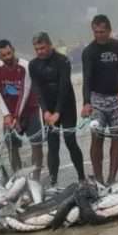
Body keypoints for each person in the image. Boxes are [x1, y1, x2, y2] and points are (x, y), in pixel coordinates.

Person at [28, 32, 84, 186]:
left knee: (70, 141)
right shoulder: (33, 65)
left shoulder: (62, 60)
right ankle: (53, 182)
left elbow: (64, 87)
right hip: (48, 110)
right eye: (37, 49)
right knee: (52, 146)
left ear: (50, 45)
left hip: (66, 107)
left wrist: (58, 112)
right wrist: (45, 111)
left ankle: (82, 177)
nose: (40, 51)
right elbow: (37, 89)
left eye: (43, 48)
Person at [81, 15, 118, 185]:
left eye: (102, 31)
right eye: (96, 32)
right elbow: (87, 79)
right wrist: (86, 102)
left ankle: (112, 177)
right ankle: (99, 178)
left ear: (109, 30)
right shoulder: (89, 51)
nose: (99, 35)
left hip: (117, 99)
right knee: (97, 137)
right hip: (97, 100)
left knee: (117, 137)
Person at [0, 39, 44, 176]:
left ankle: (35, 178)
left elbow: (25, 92)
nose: (8, 57)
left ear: (13, 50)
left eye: (9, 53)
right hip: (10, 115)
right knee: (11, 147)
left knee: (36, 145)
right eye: (3, 55)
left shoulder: (26, 66)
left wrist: (16, 116)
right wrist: (6, 115)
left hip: (30, 111)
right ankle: (19, 177)